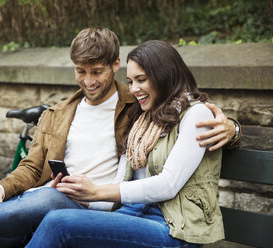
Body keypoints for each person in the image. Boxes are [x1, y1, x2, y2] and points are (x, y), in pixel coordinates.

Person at [0, 29, 239, 247]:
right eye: (81, 72)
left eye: (97, 72)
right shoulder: (67, 114)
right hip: (81, 203)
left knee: (54, 212)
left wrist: (233, 128)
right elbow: (32, 167)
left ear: (114, 66)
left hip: (142, 219)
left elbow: (193, 133)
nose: (89, 81)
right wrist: (3, 187)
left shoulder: (136, 109)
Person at [25, 40, 228, 248]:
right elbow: (120, 183)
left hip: (172, 227)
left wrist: (96, 191)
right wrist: (82, 195)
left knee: (59, 223)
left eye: (141, 80)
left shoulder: (197, 114)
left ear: (164, 76)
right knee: (56, 215)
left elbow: (167, 185)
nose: (134, 89)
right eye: (130, 81)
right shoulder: (141, 121)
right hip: (131, 214)